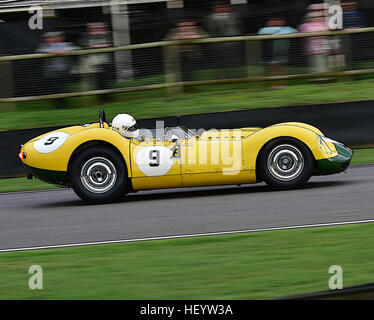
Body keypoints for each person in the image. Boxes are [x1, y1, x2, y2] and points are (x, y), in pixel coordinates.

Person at [36, 31, 79, 107]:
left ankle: (63, 106)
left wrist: (65, 51)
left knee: (61, 90)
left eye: (56, 37)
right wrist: (55, 52)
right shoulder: (43, 46)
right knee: (56, 90)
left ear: (62, 38)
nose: (54, 39)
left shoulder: (67, 45)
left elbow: (76, 49)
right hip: (51, 74)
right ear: (46, 40)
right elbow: (40, 51)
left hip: (64, 73)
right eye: (51, 38)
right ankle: (61, 106)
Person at [258, 17, 297, 88]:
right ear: (268, 22)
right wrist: (275, 29)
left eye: (279, 20)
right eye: (273, 20)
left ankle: (282, 84)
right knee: (273, 68)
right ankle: (274, 84)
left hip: (283, 52)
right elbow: (261, 32)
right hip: (271, 53)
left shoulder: (288, 28)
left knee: (281, 68)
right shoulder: (264, 30)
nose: (276, 22)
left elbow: (295, 31)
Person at [299, 7, 329, 77]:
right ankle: (317, 78)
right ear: (309, 18)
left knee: (325, 64)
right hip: (312, 50)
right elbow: (303, 34)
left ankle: (325, 77)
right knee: (315, 64)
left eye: (319, 16)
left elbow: (329, 32)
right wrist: (318, 32)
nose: (317, 18)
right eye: (313, 17)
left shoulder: (326, 24)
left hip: (326, 49)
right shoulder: (304, 25)